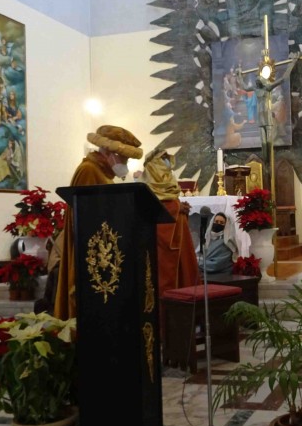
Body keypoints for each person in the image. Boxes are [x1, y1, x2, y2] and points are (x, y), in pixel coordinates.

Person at [54, 125, 143, 320]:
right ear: (111, 153)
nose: (126, 163)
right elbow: (87, 216)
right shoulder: (88, 170)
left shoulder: (103, 172)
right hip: (91, 252)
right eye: (124, 158)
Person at [140, 145, 199, 296]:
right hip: (164, 241)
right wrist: (177, 207)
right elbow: (154, 209)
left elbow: (170, 200)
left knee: (184, 268)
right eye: (163, 159)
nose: (167, 163)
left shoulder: (168, 181)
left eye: (167, 158)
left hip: (179, 232)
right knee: (166, 274)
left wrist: (180, 207)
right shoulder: (147, 185)